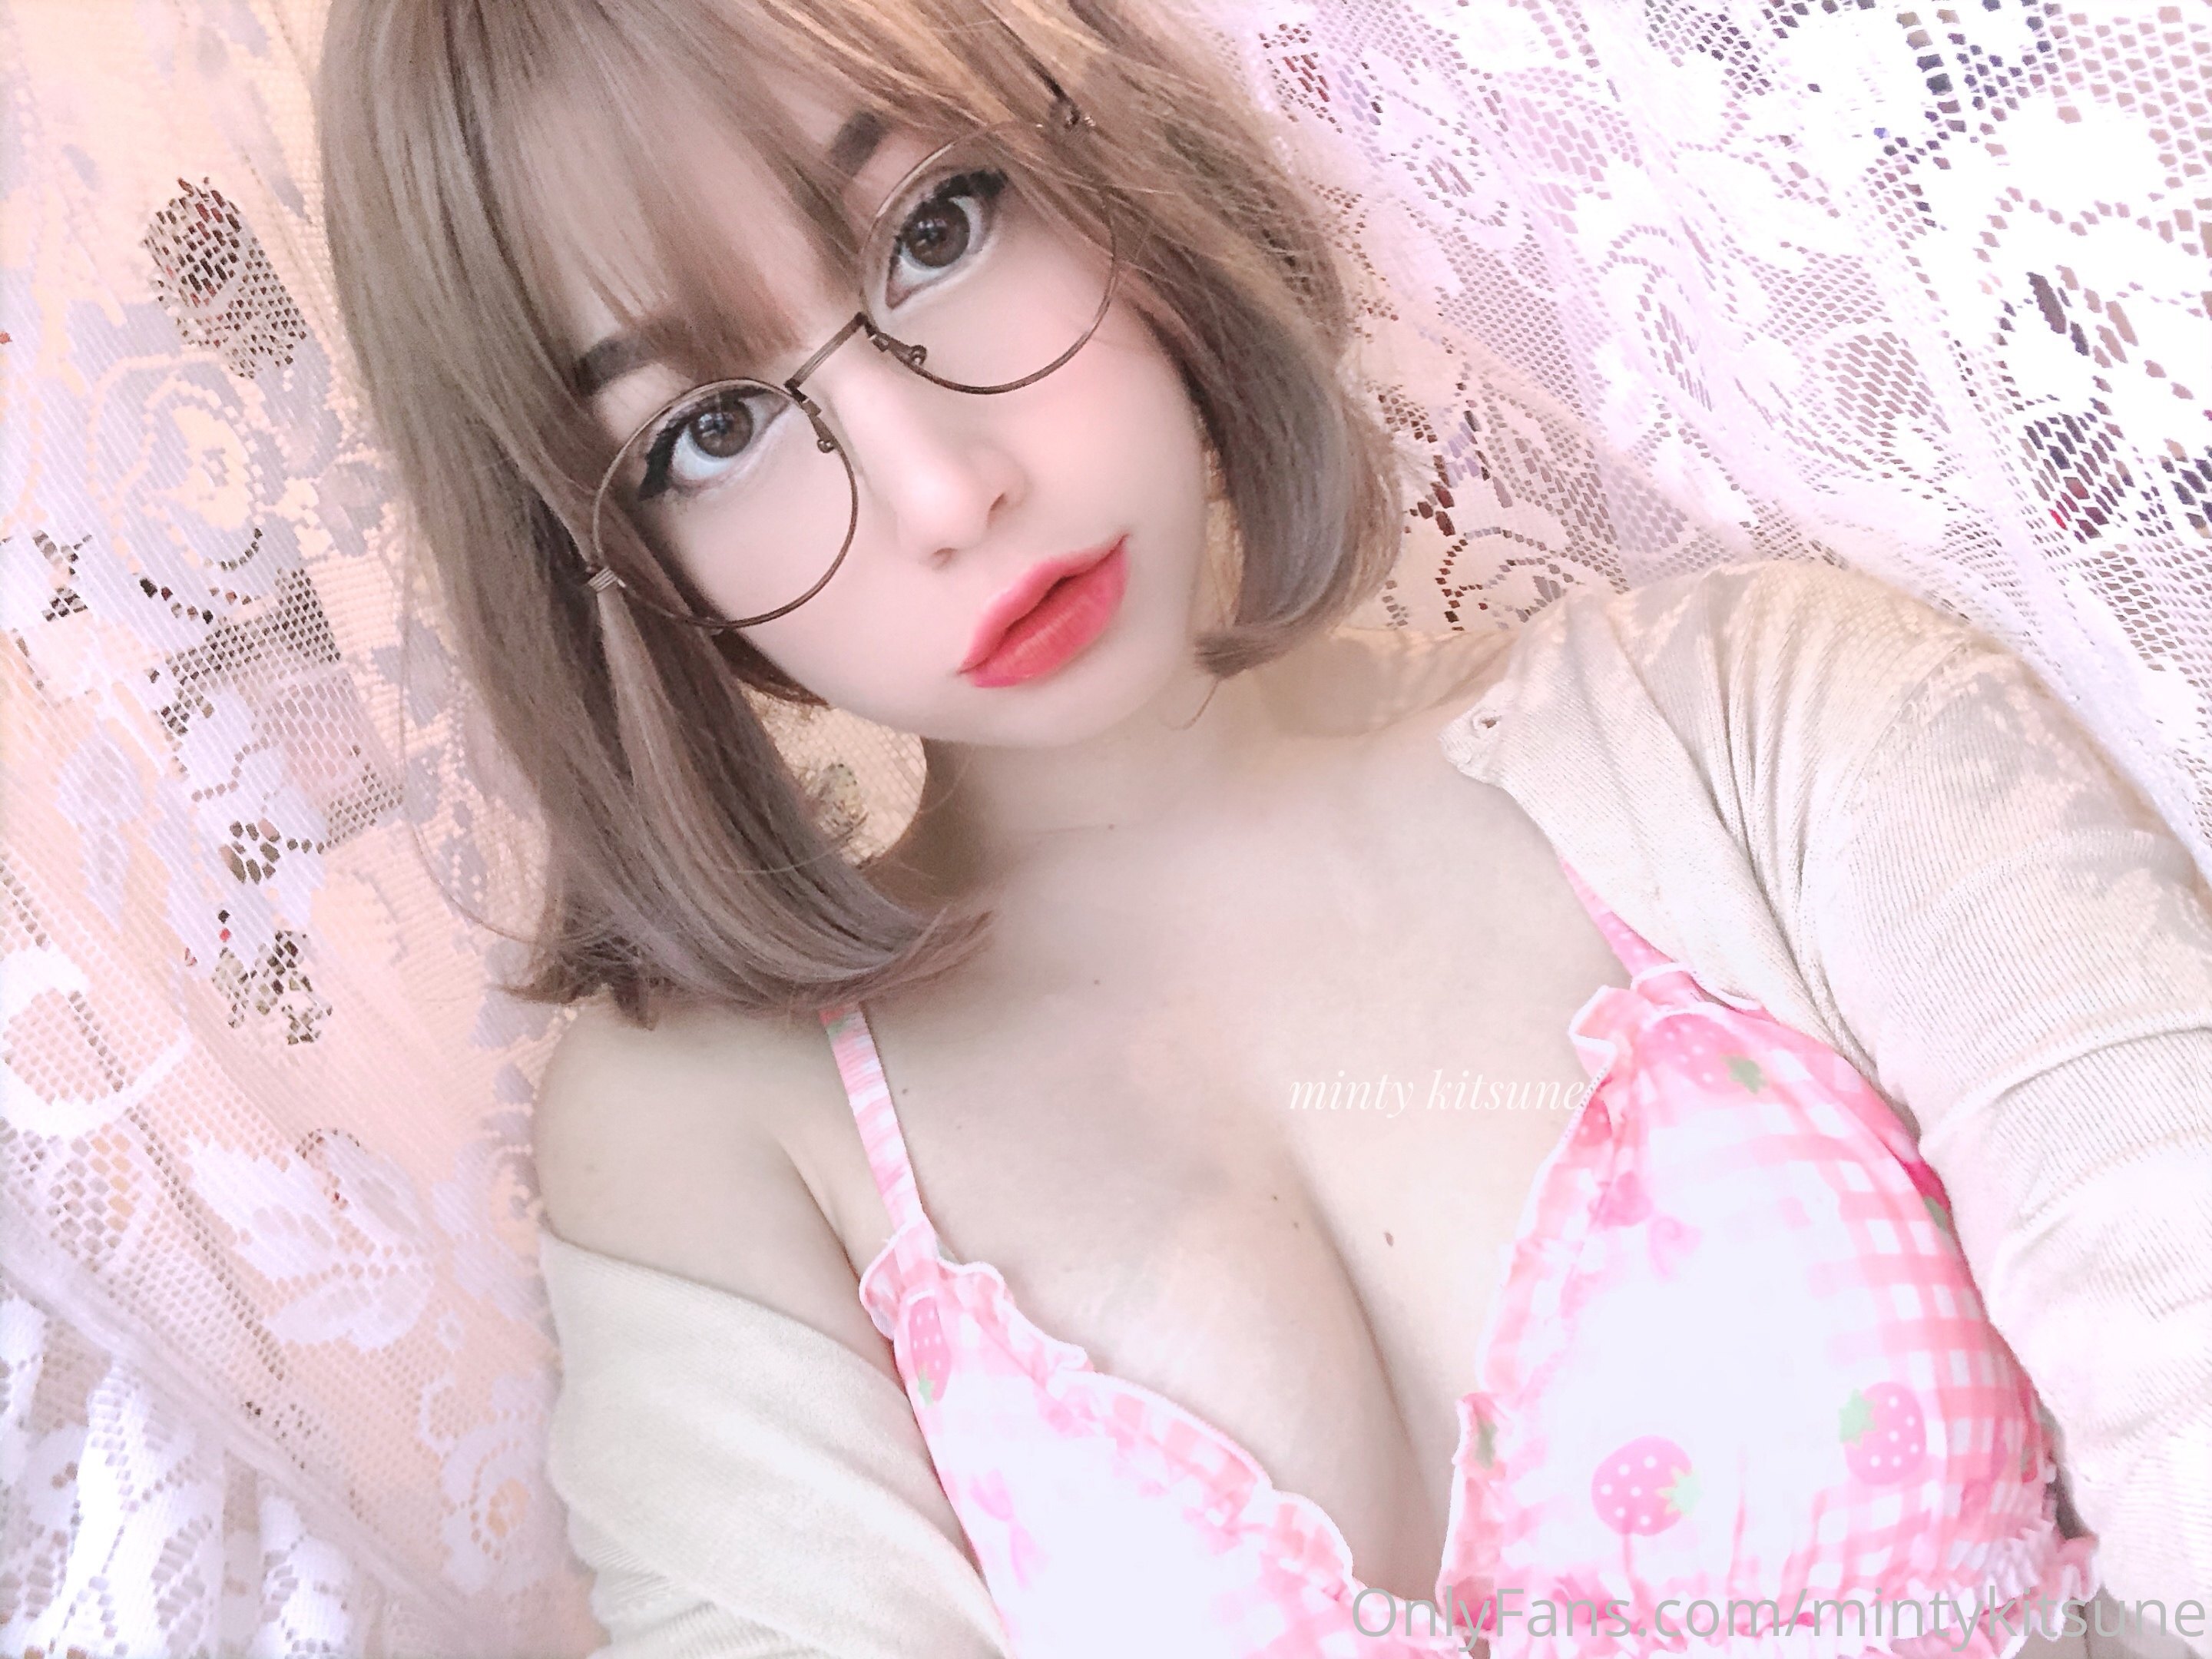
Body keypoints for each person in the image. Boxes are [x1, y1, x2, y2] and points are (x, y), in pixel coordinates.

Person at [313, 0, 2211, 1654]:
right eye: (710, 431)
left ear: (1109, 162)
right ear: (623, 569)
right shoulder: (722, 1130)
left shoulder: (1762, 727)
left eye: (937, 230)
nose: (943, 491)